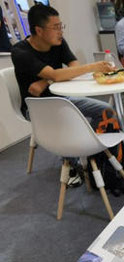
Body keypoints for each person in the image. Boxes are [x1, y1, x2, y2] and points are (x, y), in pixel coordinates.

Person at [10, 4, 115, 187]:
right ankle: (72, 164)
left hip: (63, 99)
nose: (61, 31)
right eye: (56, 27)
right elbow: (60, 74)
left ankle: (92, 156)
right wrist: (93, 66)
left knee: (105, 110)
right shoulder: (20, 52)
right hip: (36, 108)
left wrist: (46, 80)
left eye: (61, 26)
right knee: (67, 120)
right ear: (39, 30)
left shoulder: (58, 43)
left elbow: (73, 66)